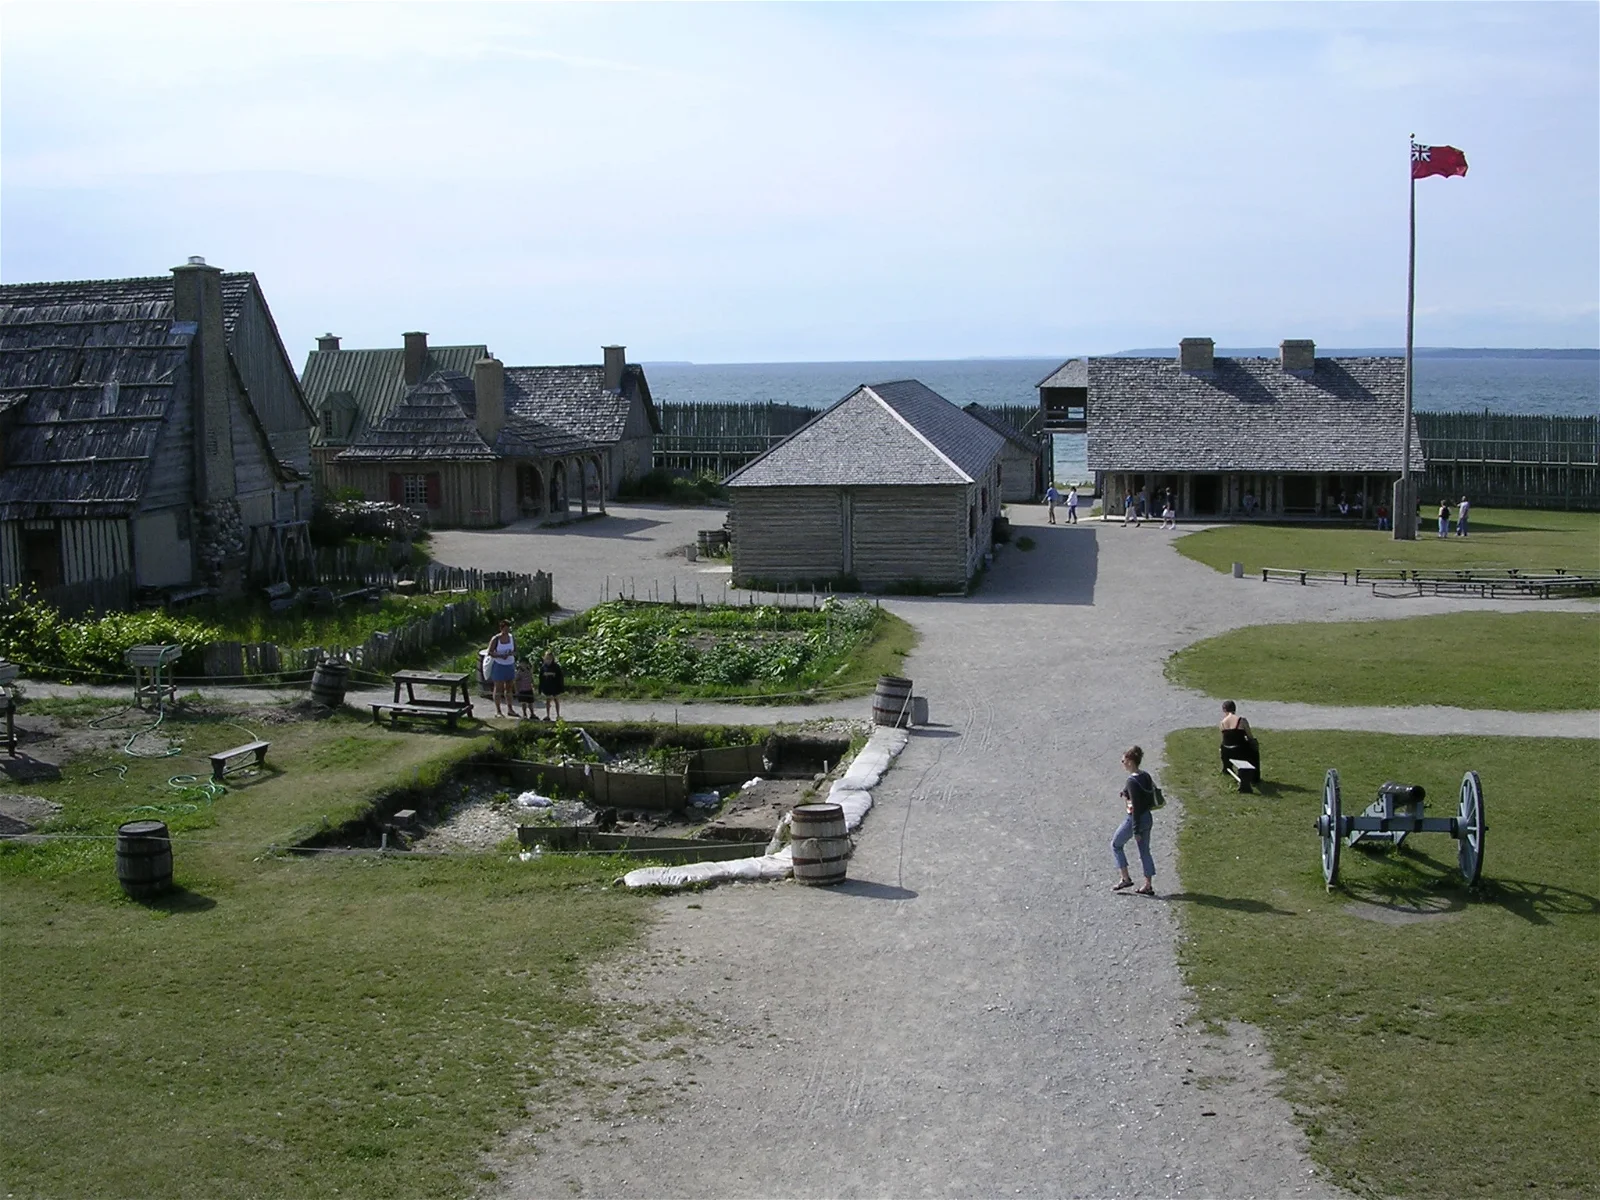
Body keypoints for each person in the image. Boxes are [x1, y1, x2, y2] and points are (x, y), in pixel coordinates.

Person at [1111, 745, 1157, 895]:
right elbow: (1145, 795)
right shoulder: (1145, 776)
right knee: (1145, 852)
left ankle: (1125, 878)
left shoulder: (1131, 781)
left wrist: (1135, 830)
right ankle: (1148, 885)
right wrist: (1125, 792)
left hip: (1134, 820)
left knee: (1116, 844)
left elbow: (1135, 807)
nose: (1122, 763)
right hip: (1147, 817)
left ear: (1130, 761)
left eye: (1123, 760)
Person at [1218, 699, 1260, 774]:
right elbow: (1250, 737)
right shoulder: (1242, 720)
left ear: (1224, 710)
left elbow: (1225, 739)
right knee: (1254, 747)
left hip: (1227, 752)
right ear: (1235, 708)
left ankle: (1226, 768)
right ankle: (1255, 775)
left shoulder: (1222, 723)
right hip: (1240, 751)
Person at [485, 620, 517, 717]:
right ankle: (498, 711)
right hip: (499, 665)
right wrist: (500, 656)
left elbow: (516, 650)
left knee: (509, 688)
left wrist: (511, 654)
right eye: (505, 628)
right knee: (498, 688)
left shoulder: (511, 637)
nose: (507, 631)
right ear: (501, 628)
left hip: (510, 664)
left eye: (508, 628)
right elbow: (490, 652)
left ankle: (510, 709)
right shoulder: (496, 639)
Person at [538, 648, 566, 721]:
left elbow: (560, 677)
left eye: (550, 658)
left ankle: (558, 715)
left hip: (555, 687)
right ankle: (547, 715)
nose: (548, 660)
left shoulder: (556, 667)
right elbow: (540, 679)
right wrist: (540, 688)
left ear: (552, 659)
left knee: (556, 700)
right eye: (547, 658)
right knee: (548, 701)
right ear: (544, 658)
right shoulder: (543, 668)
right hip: (547, 687)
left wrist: (561, 687)